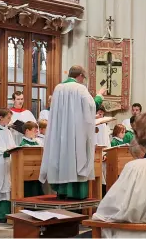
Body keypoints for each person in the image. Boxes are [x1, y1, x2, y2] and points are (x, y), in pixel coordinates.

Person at [40, 65, 106, 200]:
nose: (83, 81)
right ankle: (75, 196)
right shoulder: (80, 89)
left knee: (62, 159)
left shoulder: (58, 88)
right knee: (76, 160)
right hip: (75, 135)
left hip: (61, 134)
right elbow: (91, 106)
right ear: (80, 76)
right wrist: (99, 96)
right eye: (84, 78)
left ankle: (62, 192)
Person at [20, 121, 44, 197]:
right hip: (27, 174)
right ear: (27, 131)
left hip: (37, 173)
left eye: (37, 130)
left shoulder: (37, 142)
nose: (37, 132)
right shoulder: (24, 144)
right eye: (34, 130)